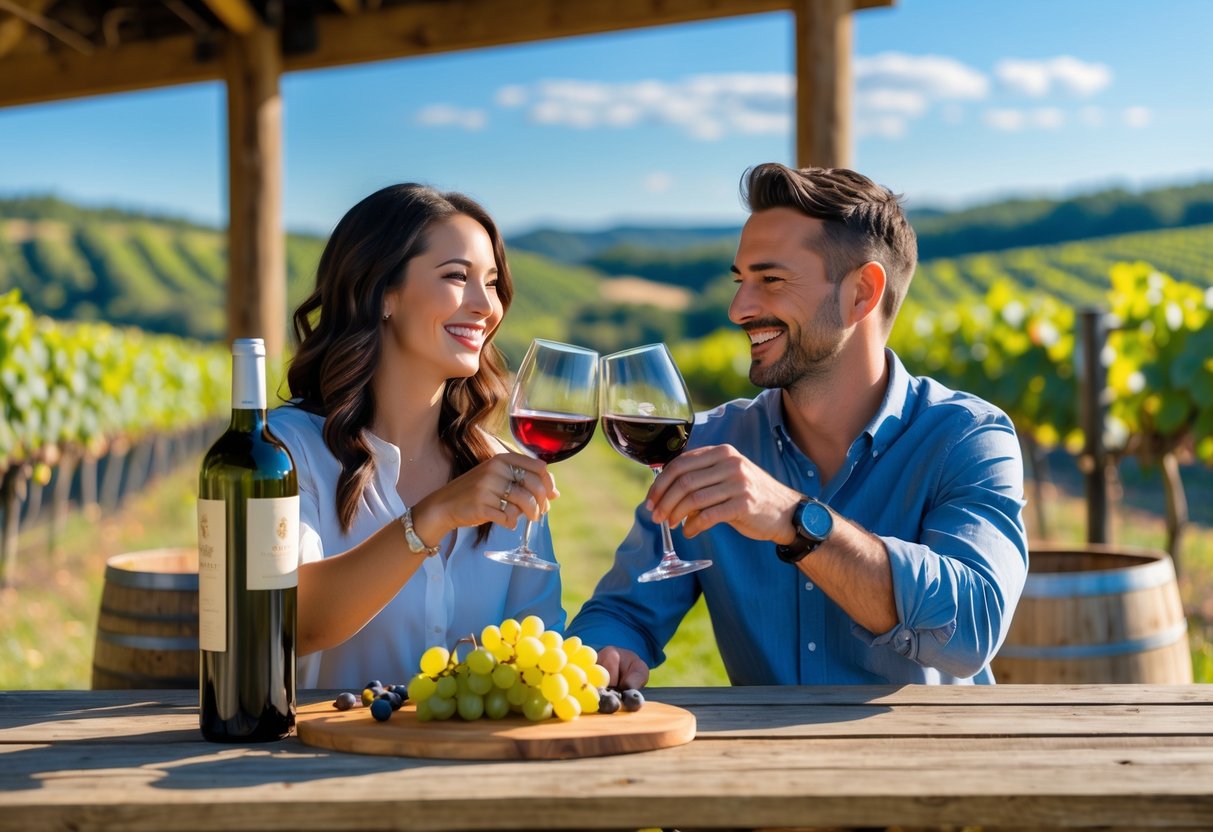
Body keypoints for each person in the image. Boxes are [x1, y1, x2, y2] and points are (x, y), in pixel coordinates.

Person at [569, 163, 1028, 687]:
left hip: (926, 760)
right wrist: (610, 650)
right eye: (741, 281)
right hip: (764, 767)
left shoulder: (966, 438)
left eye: (771, 280)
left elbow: (970, 629)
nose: (739, 308)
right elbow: (623, 613)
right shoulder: (708, 446)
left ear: (862, 293)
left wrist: (795, 520)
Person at [270, 183, 564, 689]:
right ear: (382, 293)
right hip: (316, 758)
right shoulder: (287, 450)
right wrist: (432, 516)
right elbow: (287, 621)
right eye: (457, 277)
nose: (485, 306)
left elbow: (541, 649)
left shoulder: (503, 469)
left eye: (492, 283)